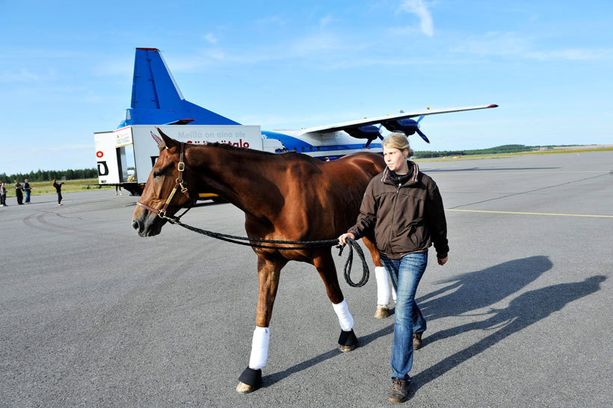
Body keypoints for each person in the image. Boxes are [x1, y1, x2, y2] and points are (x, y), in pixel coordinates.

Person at [338, 133, 449, 404]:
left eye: (391, 153)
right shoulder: (377, 183)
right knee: (406, 301)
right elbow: (366, 217)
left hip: (414, 253)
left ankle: (400, 377)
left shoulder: (425, 185)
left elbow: (438, 220)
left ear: (406, 153)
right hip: (387, 254)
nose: (387, 158)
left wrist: (442, 250)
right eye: (384, 154)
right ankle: (420, 324)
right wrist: (352, 233)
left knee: (401, 311)